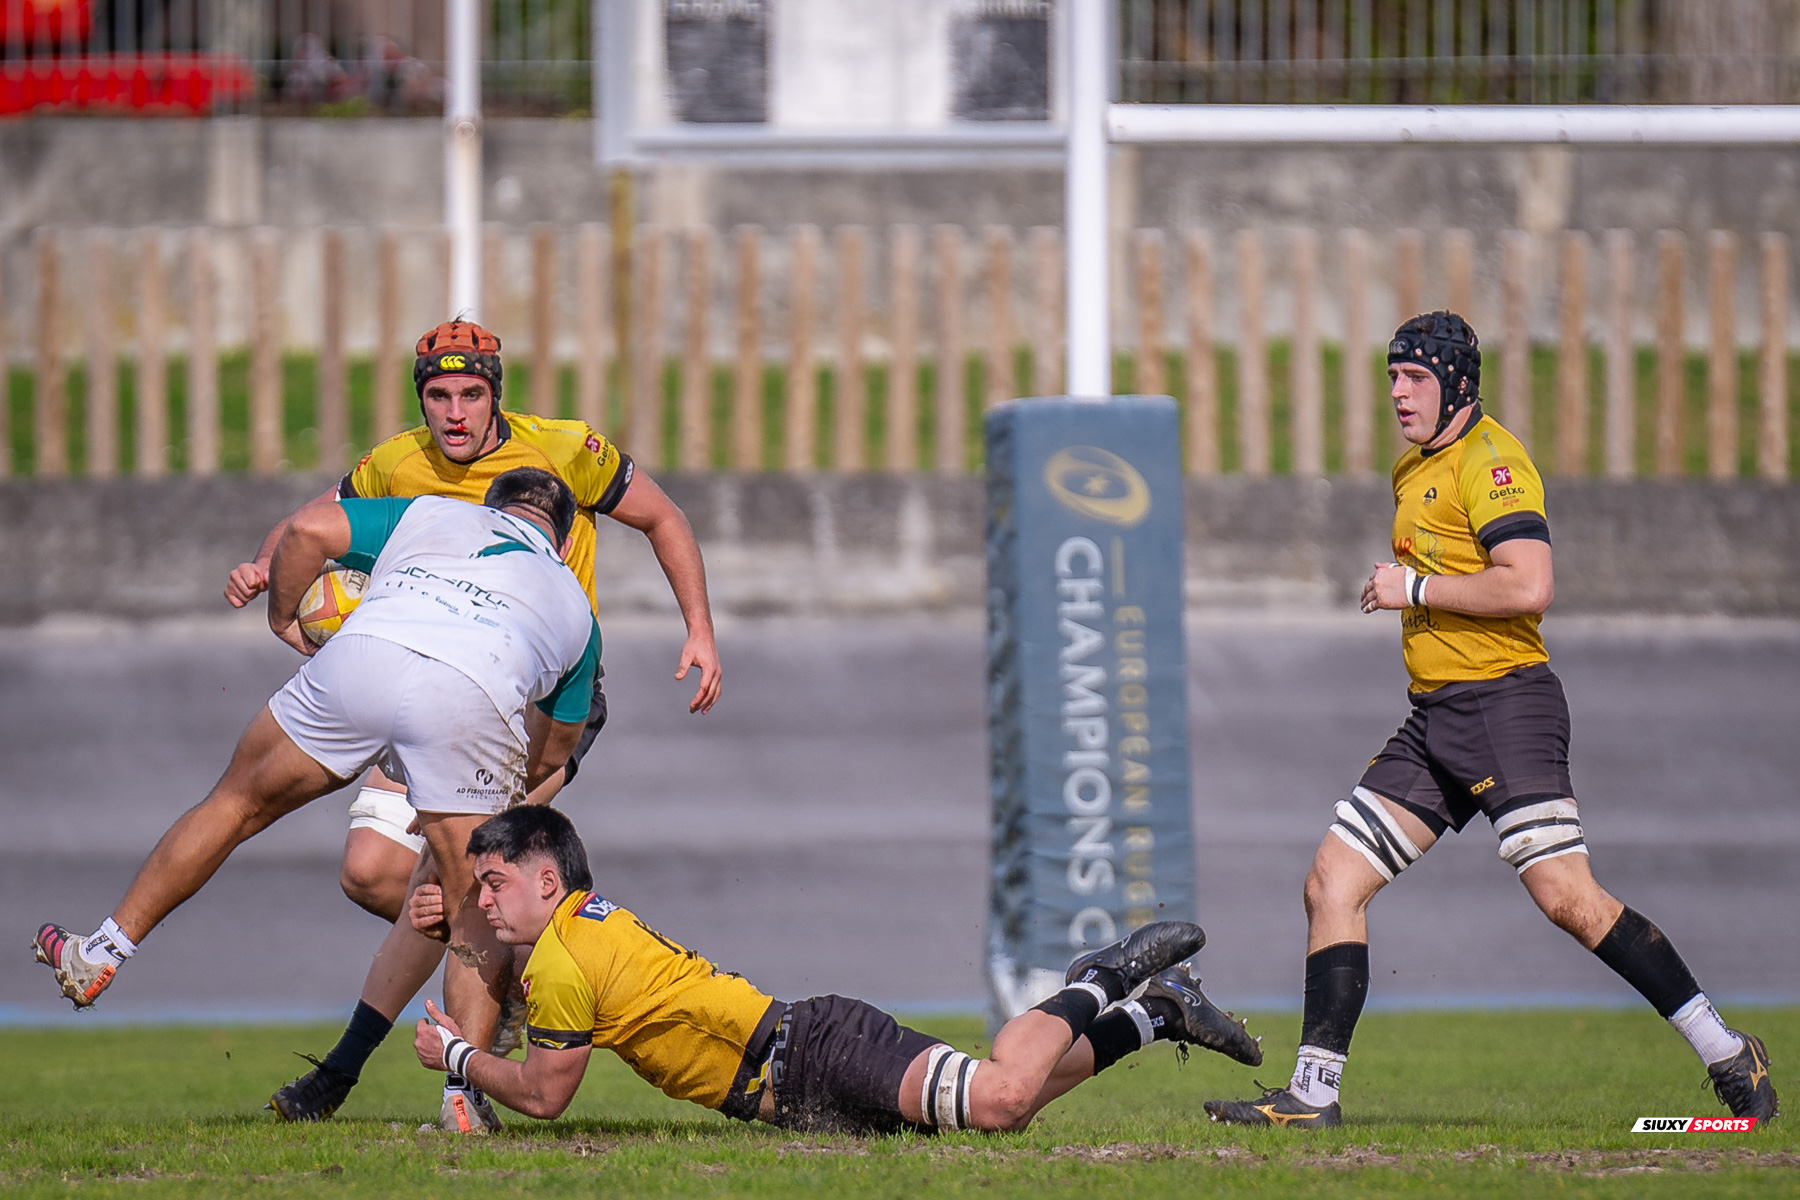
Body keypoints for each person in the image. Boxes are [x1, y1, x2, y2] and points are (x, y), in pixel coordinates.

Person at [1203, 312, 1777, 1129]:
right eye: (1393, 376)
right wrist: (1417, 587)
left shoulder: (1494, 462)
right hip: (1436, 717)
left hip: (1506, 704)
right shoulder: (1414, 470)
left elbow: (1528, 584)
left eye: (1416, 378)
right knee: (1332, 881)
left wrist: (1415, 589)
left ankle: (1726, 1049)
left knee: (1567, 898)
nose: (1398, 392)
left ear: (1458, 385)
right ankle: (1312, 1098)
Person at [219, 320, 723, 1126]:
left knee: (461, 881)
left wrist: (698, 628)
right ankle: (514, 974)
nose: (455, 412)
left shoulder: (565, 450)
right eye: (439, 395)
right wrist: (261, 561)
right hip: (435, 678)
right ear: (422, 399)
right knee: (375, 873)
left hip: (540, 698)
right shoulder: (395, 460)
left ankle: (376, 1084)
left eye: (471, 394)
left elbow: (663, 516)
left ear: (498, 395)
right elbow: (312, 519)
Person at [36, 469, 600, 1134]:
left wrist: (283, 617)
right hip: (471, 695)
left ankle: (101, 953)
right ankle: (461, 1100)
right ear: (562, 544)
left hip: (363, 657)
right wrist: (483, 795)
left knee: (234, 804)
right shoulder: (576, 605)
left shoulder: (433, 513)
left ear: (489, 508)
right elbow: (557, 745)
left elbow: (306, 531)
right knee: (469, 902)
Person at [406, 806, 1263, 1135]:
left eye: (493, 883)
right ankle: (1162, 1014)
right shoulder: (585, 923)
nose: (484, 901)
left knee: (1000, 1099)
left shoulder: (561, 957)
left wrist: (453, 1058)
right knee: (1017, 1100)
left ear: (546, 880)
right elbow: (547, 993)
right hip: (799, 1070)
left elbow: (546, 1094)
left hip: (809, 1051)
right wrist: (459, 927)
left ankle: (1100, 978)